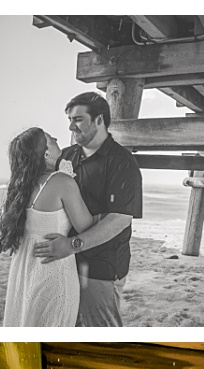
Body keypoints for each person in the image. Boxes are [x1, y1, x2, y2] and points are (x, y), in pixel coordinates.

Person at [33, 92, 142, 326]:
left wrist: (71, 245)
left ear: (99, 120)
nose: (71, 126)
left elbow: (120, 219)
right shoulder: (67, 156)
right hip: (64, 263)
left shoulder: (122, 162)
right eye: (70, 119)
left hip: (100, 267)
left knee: (100, 331)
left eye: (78, 119)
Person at [0, 127, 94, 325]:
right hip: (53, 271)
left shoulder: (19, 187)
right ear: (46, 153)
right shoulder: (62, 182)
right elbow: (86, 226)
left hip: (23, 273)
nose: (57, 138)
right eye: (51, 139)